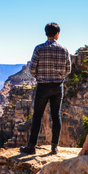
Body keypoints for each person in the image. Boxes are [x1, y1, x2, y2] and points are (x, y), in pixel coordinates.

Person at [20, 22, 71, 155]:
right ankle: (54, 147)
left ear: (46, 33)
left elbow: (31, 69)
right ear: (57, 34)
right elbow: (68, 70)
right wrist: (60, 77)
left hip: (43, 86)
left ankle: (31, 146)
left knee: (37, 116)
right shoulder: (64, 49)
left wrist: (40, 76)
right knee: (56, 116)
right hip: (57, 86)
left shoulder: (39, 48)